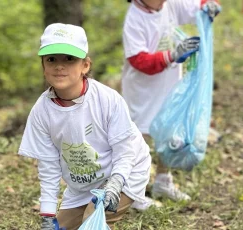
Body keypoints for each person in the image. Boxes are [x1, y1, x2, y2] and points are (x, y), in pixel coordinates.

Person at [18, 23, 152, 230]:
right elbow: (49, 167)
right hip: (84, 185)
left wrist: (115, 184)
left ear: (85, 65)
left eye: (69, 58)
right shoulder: (41, 111)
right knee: (59, 227)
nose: (59, 66)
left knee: (92, 223)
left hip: (125, 172)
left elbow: (125, 152)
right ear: (43, 66)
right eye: (51, 59)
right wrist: (47, 214)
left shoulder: (107, 100)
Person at [121, 0, 221, 210]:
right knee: (141, 138)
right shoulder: (135, 19)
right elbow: (139, 60)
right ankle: (133, 190)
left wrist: (208, 6)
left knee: (168, 132)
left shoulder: (169, 5)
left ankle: (163, 181)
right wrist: (172, 55)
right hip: (143, 91)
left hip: (168, 86)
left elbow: (195, 6)